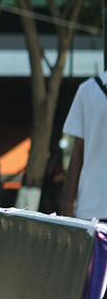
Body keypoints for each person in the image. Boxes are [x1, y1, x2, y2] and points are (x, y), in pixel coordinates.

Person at [61, 69, 107, 220]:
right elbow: (78, 150)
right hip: (92, 209)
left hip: (91, 207)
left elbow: (77, 149)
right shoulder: (88, 91)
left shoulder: (89, 90)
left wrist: (67, 205)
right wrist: (67, 205)